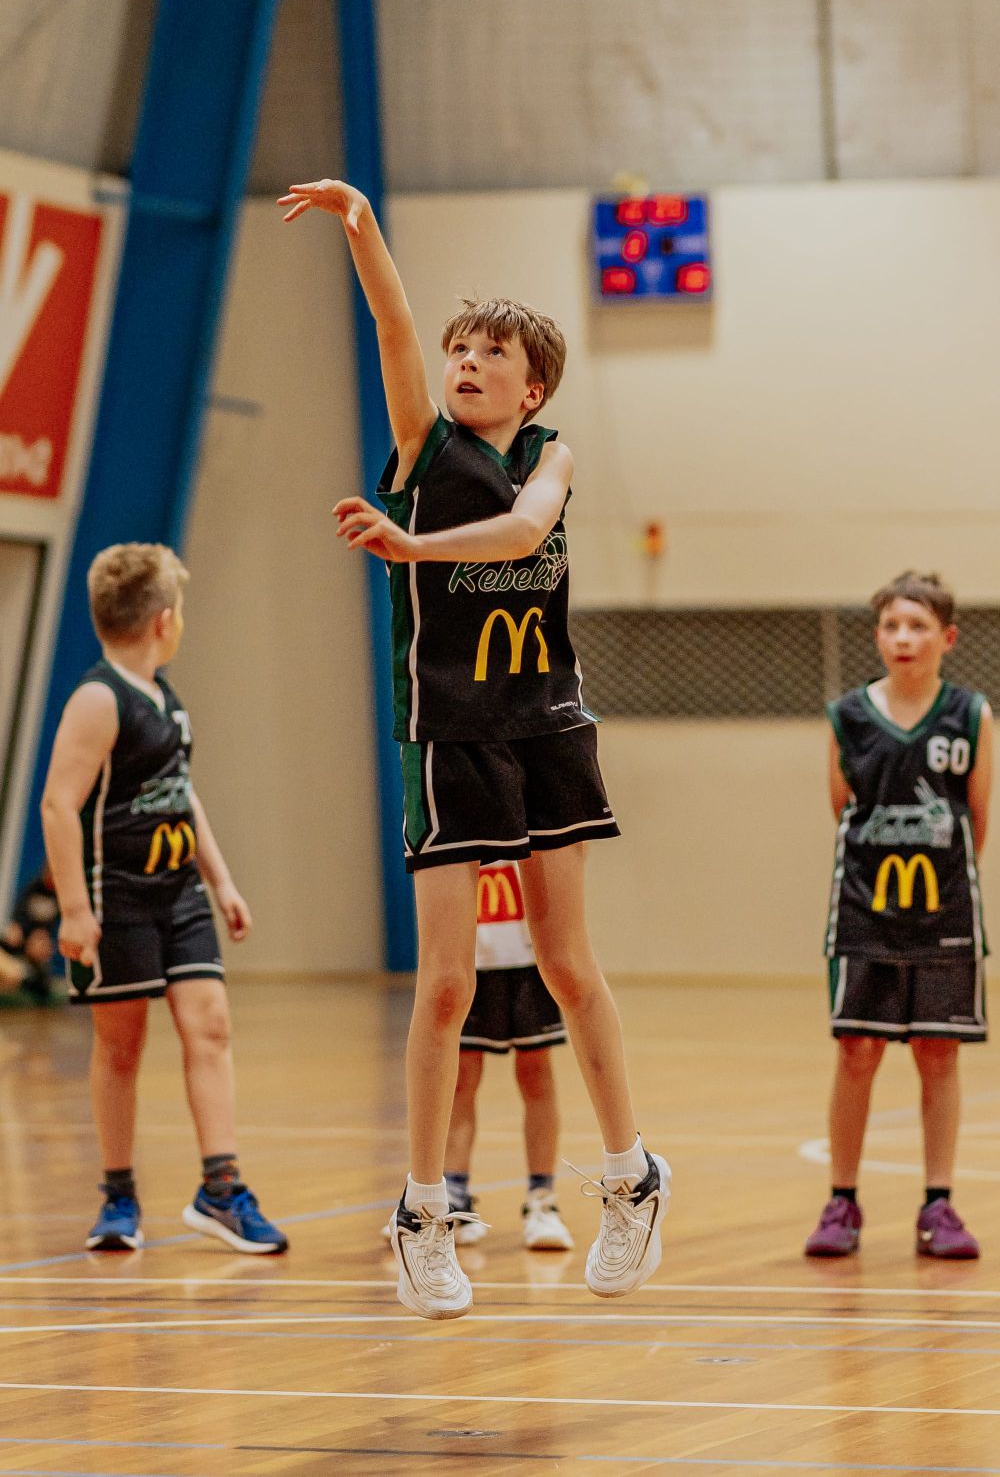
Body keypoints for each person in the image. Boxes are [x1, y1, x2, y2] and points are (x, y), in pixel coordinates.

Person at [280, 176, 668, 1320]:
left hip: (544, 726)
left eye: (491, 352)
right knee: (446, 982)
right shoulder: (421, 445)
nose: (465, 361)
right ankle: (421, 1214)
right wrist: (362, 226)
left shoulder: (550, 454)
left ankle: (631, 1177)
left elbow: (526, 527)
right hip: (446, 734)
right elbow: (391, 324)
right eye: (460, 348)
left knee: (565, 962)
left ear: (530, 385)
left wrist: (410, 550)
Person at [41, 543, 287, 1255]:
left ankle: (221, 1190)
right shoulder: (99, 699)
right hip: (115, 896)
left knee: (209, 1027)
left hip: (179, 893)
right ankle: (118, 1197)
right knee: (121, 1046)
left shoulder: (163, 696)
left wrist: (221, 879)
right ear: (163, 620)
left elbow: (181, 793)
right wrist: (76, 910)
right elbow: (58, 805)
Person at [808, 571, 991, 1260]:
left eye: (918, 626)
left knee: (938, 1054)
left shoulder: (970, 715)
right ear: (878, 636)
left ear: (947, 637)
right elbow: (841, 810)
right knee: (857, 1052)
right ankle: (842, 1201)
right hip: (865, 911)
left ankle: (938, 1205)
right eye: (891, 626)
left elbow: (977, 817)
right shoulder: (847, 716)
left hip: (945, 912)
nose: (903, 638)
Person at [386, 860, 574, 1250]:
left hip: (529, 957)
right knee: (460, 1079)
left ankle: (542, 1199)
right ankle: (454, 1194)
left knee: (536, 1075)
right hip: (469, 959)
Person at [0, 864, 61, 1005]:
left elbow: (51, 925)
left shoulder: (58, 896)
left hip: (37, 942)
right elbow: (19, 915)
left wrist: (43, 938)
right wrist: (19, 930)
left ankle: (27, 978)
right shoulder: (33, 887)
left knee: (42, 987)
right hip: (21, 938)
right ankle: (21, 975)